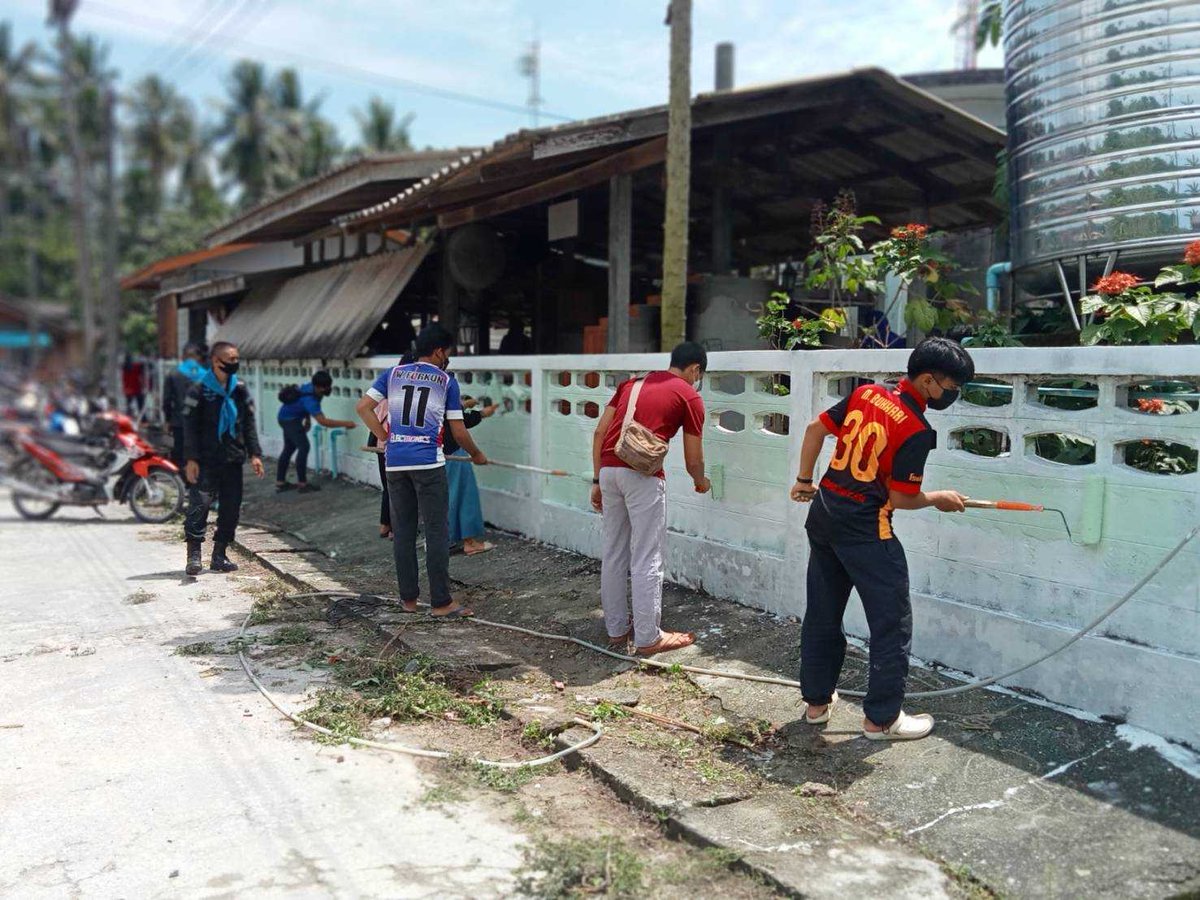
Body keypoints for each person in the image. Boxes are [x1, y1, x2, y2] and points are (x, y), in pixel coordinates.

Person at [790, 337, 973, 742]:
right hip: (866, 530)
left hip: (824, 516)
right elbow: (900, 498)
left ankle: (817, 705)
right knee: (892, 623)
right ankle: (883, 720)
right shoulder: (916, 429)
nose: (953, 395)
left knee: (822, 611)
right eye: (951, 387)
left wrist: (804, 480)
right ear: (927, 381)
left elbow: (815, 428)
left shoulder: (866, 392)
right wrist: (938, 499)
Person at [356, 325, 488, 618]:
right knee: (437, 532)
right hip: (428, 464)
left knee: (402, 532)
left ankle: (409, 601)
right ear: (440, 351)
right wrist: (477, 455)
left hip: (395, 463)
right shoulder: (446, 381)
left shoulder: (392, 373)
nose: (447, 358)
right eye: (448, 353)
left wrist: (386, 437)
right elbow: (458, 429)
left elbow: (363, 407)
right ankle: (441, 602)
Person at [590, 341, 711, 657]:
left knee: (614, 552)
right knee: (647, 555)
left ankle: (617, 630)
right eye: (698, 375)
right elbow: (693, 460)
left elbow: (599, 433)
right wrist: (701, 482)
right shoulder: (689, 396)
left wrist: (596, 480)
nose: (697, 380)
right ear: (695, 369)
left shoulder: (631, 384)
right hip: (641, 476)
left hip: (608, 469)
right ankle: (647, 638)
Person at [182, 341, 264, 577]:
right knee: (200, 504)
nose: (235, 364)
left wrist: (255, 453)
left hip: (232, 457)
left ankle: (219, 555)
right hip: (206, 458)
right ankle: (194, 556)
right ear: (216, 361)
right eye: (231, 360)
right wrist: (191, 459)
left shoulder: (239, 388)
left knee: (231, 508)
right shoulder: (198, 389)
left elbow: (248, 423)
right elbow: (189, 427)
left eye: (237, 359)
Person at [276, 370, 358, 493]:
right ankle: (302, 484)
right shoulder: (310, 400)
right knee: (303, 447)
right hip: (290, 421)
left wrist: (307, 420)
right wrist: (346, 424)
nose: (327, 389)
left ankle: (280, 482)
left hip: (286, 417)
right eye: (324, 387)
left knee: (289, 448)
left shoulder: (309, 388)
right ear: (317, 387)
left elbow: (303, 407)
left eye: (328, 386)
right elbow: (323, 421)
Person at [446, 394, 499, 555]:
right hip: (452, 452)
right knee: (463, 495)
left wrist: (463, 406)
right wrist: (481, 414)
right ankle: (469, 542)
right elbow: (457, 425)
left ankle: (444, 540)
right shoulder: (444, 381)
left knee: (442, 496)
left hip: (433, 452)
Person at [162, 343, 207, 467]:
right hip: (201, 423)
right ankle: (199, 482)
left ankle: (182, 482)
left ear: (183, 357)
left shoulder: (173, 374)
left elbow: (167, 400)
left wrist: (167, 420)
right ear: (198, 357)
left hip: (179, 422)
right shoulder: (206, 375)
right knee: (201, 453)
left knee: (179, 454)